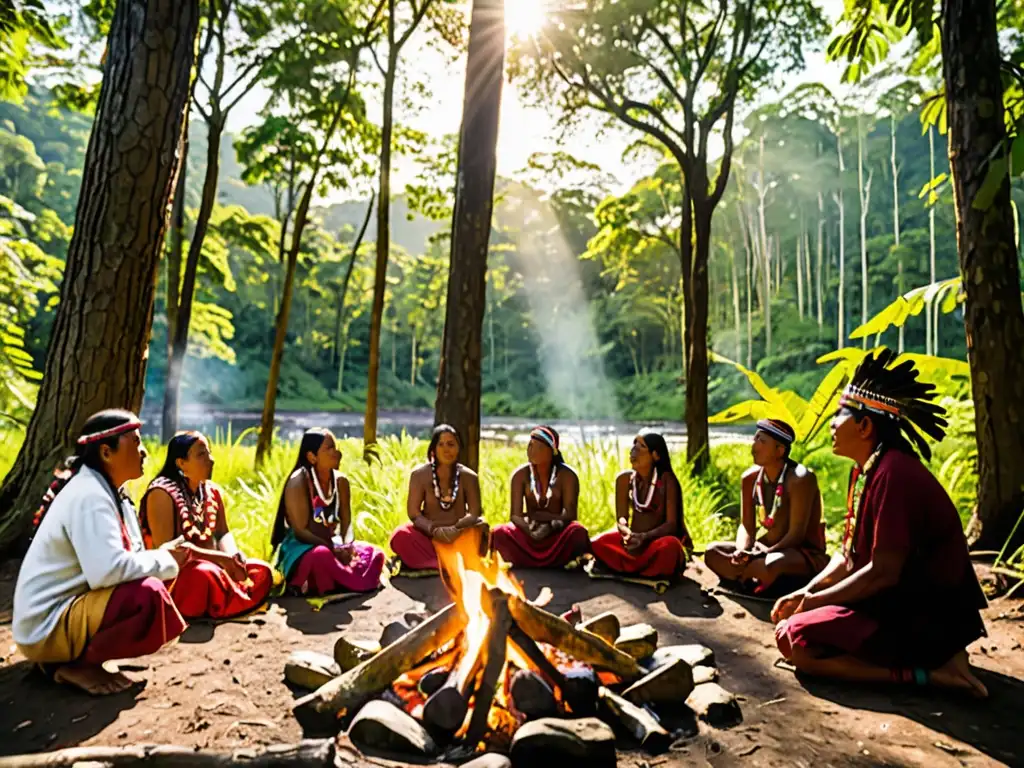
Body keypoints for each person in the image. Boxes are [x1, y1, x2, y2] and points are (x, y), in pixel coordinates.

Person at [773, 349, 988, 697]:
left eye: (838, 416)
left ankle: (934, 674)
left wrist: (815, 603)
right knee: (792, 630)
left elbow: (883, 572)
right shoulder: (866, 470)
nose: (831, 424)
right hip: (891, 603)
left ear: (864, 425)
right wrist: (807, 592)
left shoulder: (895, 474)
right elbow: (847, 558)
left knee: (795, 639)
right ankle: (933, 664)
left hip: (922, 618)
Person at [12, 409, 189, 695]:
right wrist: (165, 559)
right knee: (147, 594)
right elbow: (107, 572)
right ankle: (72, 665)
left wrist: (164, 557)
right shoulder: (89, 496)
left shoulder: (112, 493)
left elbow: (124, 561)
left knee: (154, 579)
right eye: (136, 442)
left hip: (63, 615)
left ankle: (79, 657)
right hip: (44, 628)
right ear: (106, 452)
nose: (144, 452)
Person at [140, 431, 273, 619]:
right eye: (201, 455)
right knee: (203, 575)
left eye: (209, 453)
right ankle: (221, 601)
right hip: (177, 578)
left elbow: (222, 533)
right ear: (181, 463)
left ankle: (222, 600)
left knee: (261, 571)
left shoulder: (211, 491)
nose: (211, 460)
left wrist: (234, 557)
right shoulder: (161, 494)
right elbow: (168, 551)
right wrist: (221, 560)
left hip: (216, 567)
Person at [703, 419, 828, 594]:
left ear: (780, 450)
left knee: (770, 564)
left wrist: (762, 554)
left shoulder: (800, 479)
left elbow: (796, 534)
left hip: (799, 552)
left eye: (761, 441)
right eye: (754, 439)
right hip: (762, 549)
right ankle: (754, 579)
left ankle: (748, 578)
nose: (754, 447)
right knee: (712, 552)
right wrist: (742, 550)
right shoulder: (750, 478)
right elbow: (746, 525)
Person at [270, 429, 385, 595]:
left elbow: (346, 523)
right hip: (304, 548)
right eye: (329, 448)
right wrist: (331, 549)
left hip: (333, 544)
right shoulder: (299, 482)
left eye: (336, 447)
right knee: (321, 557)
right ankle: (349, 580)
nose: (337, 453)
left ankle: (340, 580)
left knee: (374, 553)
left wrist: (347, 546)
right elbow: (301, 531)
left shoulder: (341, 482)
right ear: (312, 457)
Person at [590, 429, 690, 578]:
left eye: (641, 446)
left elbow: (671, 525)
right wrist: (626, 532)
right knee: (597, 543)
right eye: (633, 444)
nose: (633, 449)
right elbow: (622, 518)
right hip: (634, 543)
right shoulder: (624, 479)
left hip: (656, 543)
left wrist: (645, 537)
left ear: (655, 455)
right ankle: (644, 569)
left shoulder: (668, 481)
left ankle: (628, 567)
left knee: (670, 547)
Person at [390, 424, 489, 572]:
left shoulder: (469, 477)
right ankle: (445, 562)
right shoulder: (419, 475)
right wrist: (434, 530)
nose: (446, 449)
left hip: (459, 535)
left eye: (451, 444)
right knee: (400, 535)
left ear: (458, 448)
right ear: (433, 449)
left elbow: (475, 513)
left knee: (482, 527)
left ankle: (447, 561)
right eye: (441, 444)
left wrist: (456, 529)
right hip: (429, 536)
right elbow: (414, 513)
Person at [491, 426, 591, 568]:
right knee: (499, 532)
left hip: (556, 534)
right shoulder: (520, 475)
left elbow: (570, 514)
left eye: (538, 447)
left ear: (552, 451)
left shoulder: (567, 476)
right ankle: (524, 559)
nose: (532, 451)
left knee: (578, 532)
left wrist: (550, 526)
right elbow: (515, 516)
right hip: (529, 532)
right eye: (530, 446)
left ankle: (562, 560)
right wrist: (531, 532)